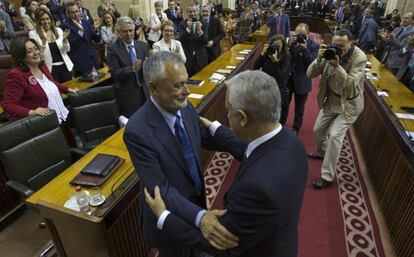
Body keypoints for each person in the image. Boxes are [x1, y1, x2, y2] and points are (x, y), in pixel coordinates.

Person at [143, 69, 308, 257]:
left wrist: (165, 217)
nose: (227, 116)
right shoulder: (291, 142)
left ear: (243, 118)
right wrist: (215, 127)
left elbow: (220, 245)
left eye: (228, 111)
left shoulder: (256, 189)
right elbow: (250, 152)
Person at [124, 51, 244, 257]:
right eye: (178, 86)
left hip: (196, 201)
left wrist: (251, 145)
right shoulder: (137, 131)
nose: (186, 91)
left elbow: (203, 138)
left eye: (186, 83)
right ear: (154, 88)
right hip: (169, 219)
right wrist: (201, 217)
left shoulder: (185, 107)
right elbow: (160, 188)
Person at [307, 29, 367, 189]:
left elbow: (352, 84)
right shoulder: (329, 52)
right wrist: (319, 59)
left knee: (335, 136)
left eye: (342, 45)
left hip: (349, 104)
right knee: (318, 130)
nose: (338, 48)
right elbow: (310, 74)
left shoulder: (359, 58)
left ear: (352, 42)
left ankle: (327, 176)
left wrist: (337, 66)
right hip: (332, 100)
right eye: (335, 44)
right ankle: (321, 153)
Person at [2, 37, 76, 122]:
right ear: (20, 56)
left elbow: (50, 83)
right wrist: (31, 112)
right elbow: (8, 105)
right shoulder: (16, 75)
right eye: (30, 51)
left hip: (61, 115)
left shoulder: (42, 66)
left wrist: (66, 89)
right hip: (43, 123)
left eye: (36, 49)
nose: (36, 53)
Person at [106, 16, 149, 118]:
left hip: (145, 93)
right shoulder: (113, 49)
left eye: (131, 30)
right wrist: (132, 68)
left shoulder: (143, 46)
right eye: (125, 31)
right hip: (127, 95)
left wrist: (150, 66)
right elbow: (115, 73)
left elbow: (149, 70)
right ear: (118, 32)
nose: (129, 34)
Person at [285, 23, 319, 135]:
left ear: (308, 34)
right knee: (283, 105)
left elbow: (312, 63)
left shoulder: (313, 45)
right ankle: (281, 125)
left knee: (299, 109)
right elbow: (286, 60)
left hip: (302, 81)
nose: (299, 36)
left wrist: (305, 50)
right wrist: (290, 45)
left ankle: (296, 129)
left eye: (302, 34)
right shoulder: (291, 42)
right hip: (288, 80)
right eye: (297, 34)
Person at [254, 34, 292, 130]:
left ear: (283, 46)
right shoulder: (267, 54)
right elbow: (256, 67)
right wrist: (263, 54)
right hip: (266, 89)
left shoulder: (286, 57)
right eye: (274, 44)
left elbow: (281, 75)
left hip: (278, 91)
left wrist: (275, 61)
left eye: (279, 45)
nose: (277, 47)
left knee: (277, 118)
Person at [29, 8, 73, 83]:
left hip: (65, 67)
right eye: (42, 19)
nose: (46, 22)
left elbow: (67, 49)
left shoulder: (58, 30)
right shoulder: (33, 34)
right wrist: (44, 41)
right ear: (38, 21)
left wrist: (64, 40)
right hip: (50, 69)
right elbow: (39, 56)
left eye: (47, 19)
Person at [61, 2, 100, 77]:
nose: (76, 14)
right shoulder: (65, 26)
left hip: (93, 60)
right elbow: (72, 44)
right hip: (81, 64)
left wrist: (97, 30)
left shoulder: (85, 22)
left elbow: (96, 39)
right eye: (72, 13)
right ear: (68, 14)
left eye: (77, 11)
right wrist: (80, 31)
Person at [179, 5, 208, 77]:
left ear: (197, 12)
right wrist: (188, 29)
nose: (192, 13)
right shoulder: (182, 24)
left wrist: (199, 30)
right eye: (190, 11)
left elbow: (206, 41)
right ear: (187, 12)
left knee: (202, 80)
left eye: (194, 11)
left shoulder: (203, 24)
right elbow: (181, 40)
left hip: (201, 58)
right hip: (188, 58)